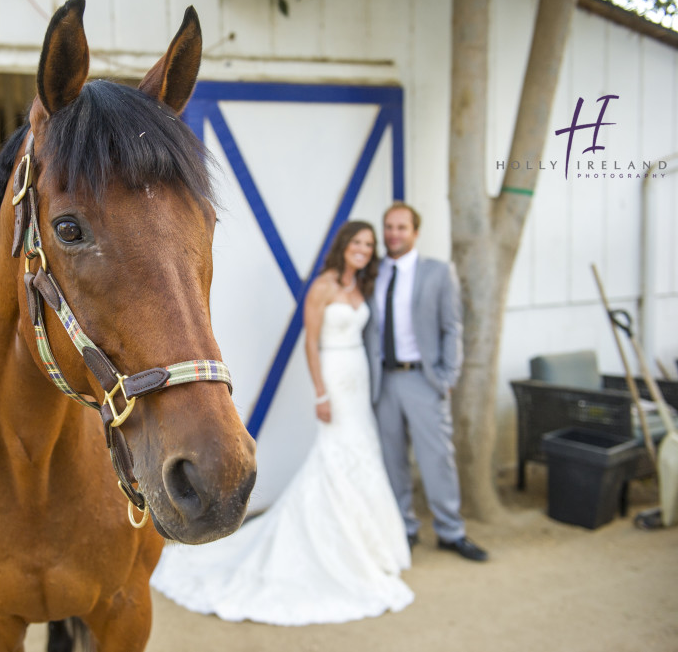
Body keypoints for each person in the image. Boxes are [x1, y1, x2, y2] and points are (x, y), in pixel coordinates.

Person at [150, 221, 413, 626]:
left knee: (363, 449)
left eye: (368, 244)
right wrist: (321, 393)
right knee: (337, 451)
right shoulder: (323, 285)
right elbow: (311, 342)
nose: (363, 249)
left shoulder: (363, 285)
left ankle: (371, 542)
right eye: (357, 242)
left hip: (359, 377)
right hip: (335, 375)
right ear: (344, 246)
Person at [373, 202, 488, 562]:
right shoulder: (372, 273)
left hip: (423, 379)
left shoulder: (438, 272)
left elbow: (452, 327)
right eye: (389, 227)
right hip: (383, 383)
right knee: (393, 461)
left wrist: (447, 377)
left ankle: (451, 531)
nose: (394, 234)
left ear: (415, 232)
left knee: (437, 458)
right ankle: (405, 528)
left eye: (401, 227)